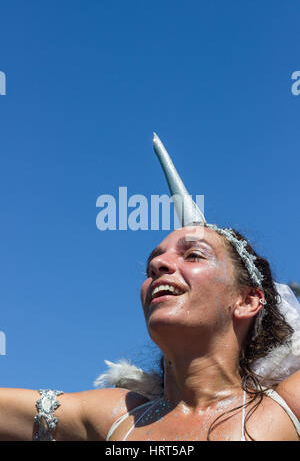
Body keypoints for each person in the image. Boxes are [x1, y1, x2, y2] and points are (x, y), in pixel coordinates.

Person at [0, 135, 300, 441]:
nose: (159, 266)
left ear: (248, 300)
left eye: (194, 255)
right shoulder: (118, 418)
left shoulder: (286, 409)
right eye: (151, 265)